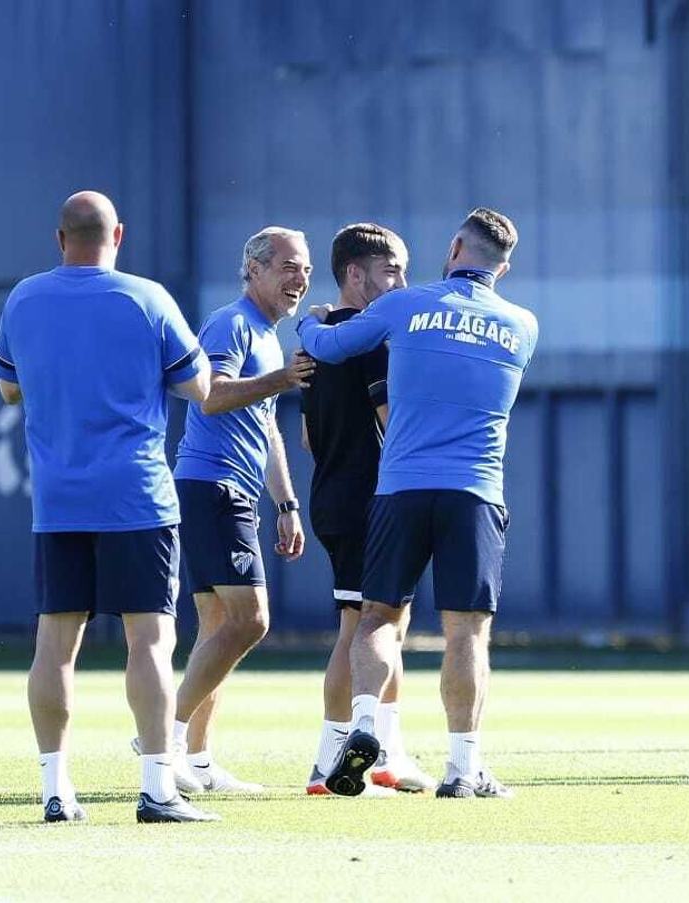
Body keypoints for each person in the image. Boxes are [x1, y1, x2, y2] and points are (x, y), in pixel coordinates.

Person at [300, 208, 538, 799]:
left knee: (378, 618)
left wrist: (307, 324)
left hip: (401, 486)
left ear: (454, 246)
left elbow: (330, 347)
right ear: (503, 267)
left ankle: (362, 729)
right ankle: (464, 769)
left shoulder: (406, 305)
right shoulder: (523, 324)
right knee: (467, 633)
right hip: (476, 492)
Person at [0, 191, 216, 822]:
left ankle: (55, 791)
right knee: (149, 639)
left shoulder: (25, 299)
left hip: (60, 499)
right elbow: (198, 388)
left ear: (59, 237)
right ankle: (156, 787)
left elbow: (9, 388)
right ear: (118, 233)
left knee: (55, 642)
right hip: (137, 496)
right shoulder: (147, 298)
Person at [157, 227, 316, 794]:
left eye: (305, 269)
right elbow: (213, 394)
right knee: (252, 620)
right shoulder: (232, 323)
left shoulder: (269, 335)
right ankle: (164, 735)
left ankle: (195, 758)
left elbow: (266, 423)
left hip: (237, 490)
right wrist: (280, 378)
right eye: (287, 266)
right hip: (211, 486)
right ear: (253, 269)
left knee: (219, 625)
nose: (299, 278)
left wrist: (288, 503)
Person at [299, 223, 436, 795]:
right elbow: (390, 421)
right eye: (391, 271)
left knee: (385, 625)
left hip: (334, 490)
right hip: (368, 498)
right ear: (355, 274)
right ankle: (329, 761)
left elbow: (309, 438)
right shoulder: (368, 337)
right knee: (364, 627)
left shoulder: (317, 335)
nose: (402, 282)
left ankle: (387, 753)